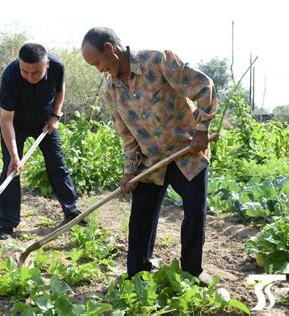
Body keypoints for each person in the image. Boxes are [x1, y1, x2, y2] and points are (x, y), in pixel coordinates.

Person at [81, 27, 218, 285]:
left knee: (194, 211)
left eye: (97, 61)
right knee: (141, 215)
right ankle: (137, 274)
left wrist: (203, 128)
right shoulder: (112, 90)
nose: (98, 68)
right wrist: (130, 169)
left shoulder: (157, 62)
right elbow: (126, 134)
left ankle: (192, 271)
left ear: (110, 49)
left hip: (187, 151)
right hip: (151, 161)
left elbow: (203, 86)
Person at [0, 43, 81, 240]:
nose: (29, 76)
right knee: (10, 170)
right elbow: (6, 120)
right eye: (24, 71)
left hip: (44, 122)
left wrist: (56, 115)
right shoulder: (10, 76)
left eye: (36, 72)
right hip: (15, 125)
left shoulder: (58, 67)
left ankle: (72, 211)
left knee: (57, 164)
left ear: (47, 65)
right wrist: (15, 157)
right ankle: (7, 224)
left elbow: (60, 90)